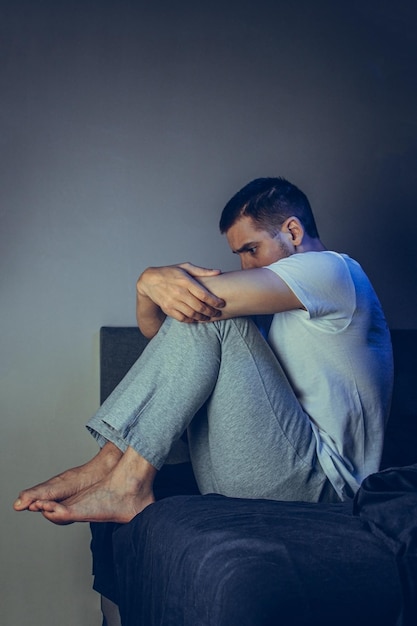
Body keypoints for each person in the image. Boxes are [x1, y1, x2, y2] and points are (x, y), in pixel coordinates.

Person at [13, 177, 393, 525]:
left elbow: (193, 310)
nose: (244, 265)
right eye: (239, 254)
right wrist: (145, 287)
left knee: (212, 313)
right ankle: (110, 464)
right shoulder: (280, 308)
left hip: (321, 490)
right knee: (206, 317)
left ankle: (123, 478)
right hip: (249, 473)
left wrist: (149, 280)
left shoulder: (333, 271)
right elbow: (165, 337)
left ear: (292, 231)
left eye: (252, 249)